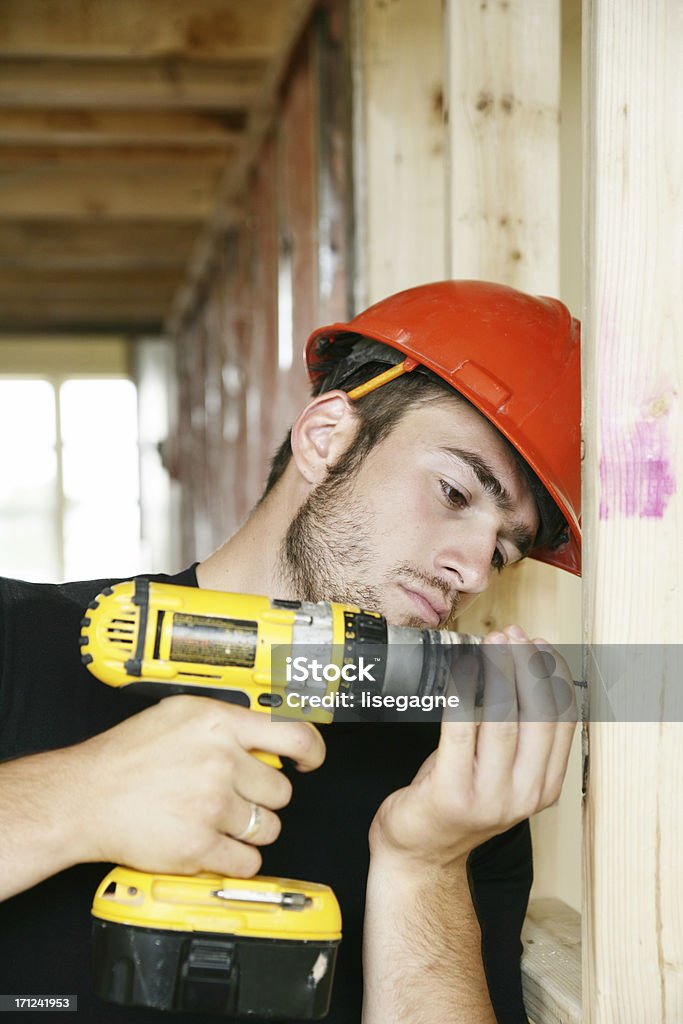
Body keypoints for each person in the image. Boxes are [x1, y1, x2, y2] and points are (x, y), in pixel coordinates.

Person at [0, 280, 580, 1023]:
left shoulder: (451, 783)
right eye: (455, 493)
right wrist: (75, 799)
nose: (472, 569)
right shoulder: (22, 642)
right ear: (326, 438)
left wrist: (424, 866)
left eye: (504, 550)